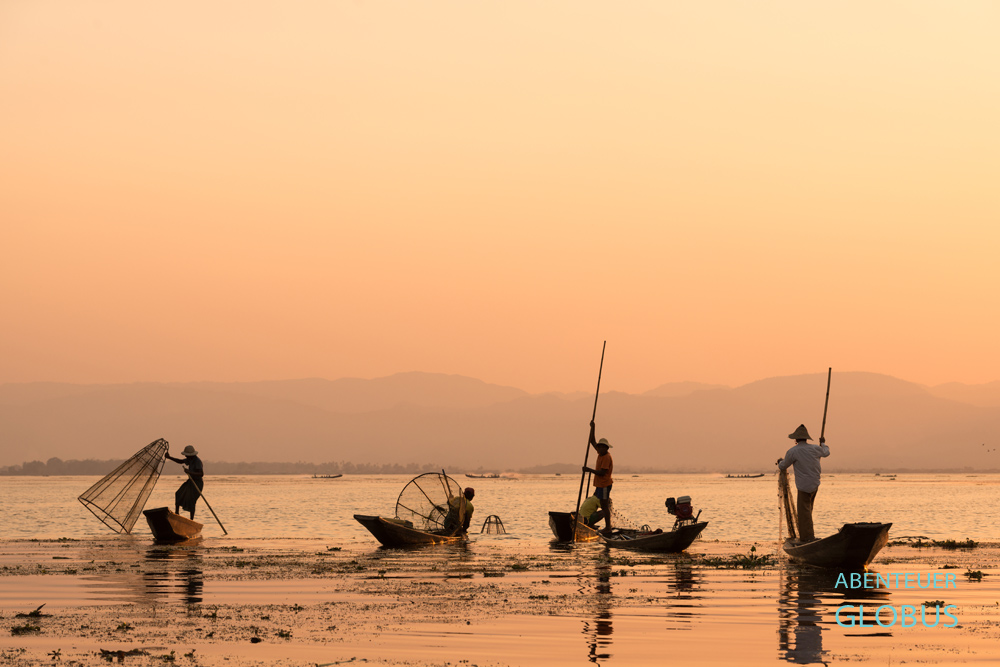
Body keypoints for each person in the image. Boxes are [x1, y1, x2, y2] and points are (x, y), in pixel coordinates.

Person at [777, 424, 829, 541]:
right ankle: (808, 535)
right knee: (808, 510)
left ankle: (807, 538)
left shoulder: (793, 451)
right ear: (806, 438)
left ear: (795, 439)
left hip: (803, 486)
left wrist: (780, 462)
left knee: (804, 513)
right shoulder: (815, 448)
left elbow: (783, 465)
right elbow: (826, 452)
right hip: (815, 484)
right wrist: (823, 443)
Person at [582, 419, 614, 533]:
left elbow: (602, 472)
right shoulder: (600, 453)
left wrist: (588, 470)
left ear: (606, 448)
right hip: (600, 485)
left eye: (602, 447)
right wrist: (592, 427)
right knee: (603, 504)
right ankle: (602, 526)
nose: (599, 449)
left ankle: (608, 528)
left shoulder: (606, 457)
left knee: (605, 506)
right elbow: (592, 441)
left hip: (605, 485)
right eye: (599, 447)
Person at [165, 445, 204, 520]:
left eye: (187, 455)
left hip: (197, 483)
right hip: (190, 482)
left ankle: (191, 520)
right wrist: (169, 457)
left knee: (192, 500)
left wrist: (190, 472)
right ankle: (177, 513)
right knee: (178, 493)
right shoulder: (190, 459)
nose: (186, 456)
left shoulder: (197, 461)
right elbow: (180, 461)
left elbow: (201, 474)